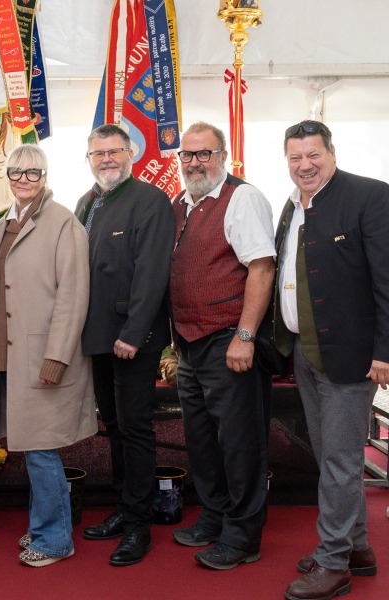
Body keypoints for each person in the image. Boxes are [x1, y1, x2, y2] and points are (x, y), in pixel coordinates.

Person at [277, 120, 387, 600]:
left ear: (331, 153)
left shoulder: (370, 196)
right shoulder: (292, 204)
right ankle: (357, 549)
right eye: (296, 157)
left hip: (352, 357)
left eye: (313, 155)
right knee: (329, 458)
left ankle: (334, 562)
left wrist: (385, 353)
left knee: (341, 461)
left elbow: (387, 280)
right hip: (305, 352)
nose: (305, 165)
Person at [0, 144, 96, 567]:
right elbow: (2, 290)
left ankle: (54, 539)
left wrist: (58, 356)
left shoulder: (64, 223)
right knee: (30, 447)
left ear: (46, 176)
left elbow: (74, 295)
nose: (23, 179)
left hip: (45, 356)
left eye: (33, 172)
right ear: (6, 176)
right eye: (16, 172)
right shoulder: (1, 225)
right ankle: (47, 525)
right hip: (10, 354)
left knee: (42, 448)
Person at [169, 121, 275, 570]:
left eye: (204, 154)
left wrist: (245, 336)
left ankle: (243, 537)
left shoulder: (242, 198)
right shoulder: (181, 204)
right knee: (202, 442)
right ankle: (213, 517)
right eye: (188, 155)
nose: (195, 162)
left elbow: (262, 269)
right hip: (189, 345)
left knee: (239, 444)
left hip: (228, 342)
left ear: (222, 155)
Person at [74, 124, 174, 566]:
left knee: (135, 430)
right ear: (89, 159)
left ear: (130, 153)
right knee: (113, 428)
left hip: (133, 338)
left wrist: (133, 334)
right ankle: (123, 507)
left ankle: (139, 526)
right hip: (96, 338)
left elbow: (152, 273)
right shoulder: (87, 201)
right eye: (98, 153)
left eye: (114, 151)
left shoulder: (149, 200)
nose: (107, 159)